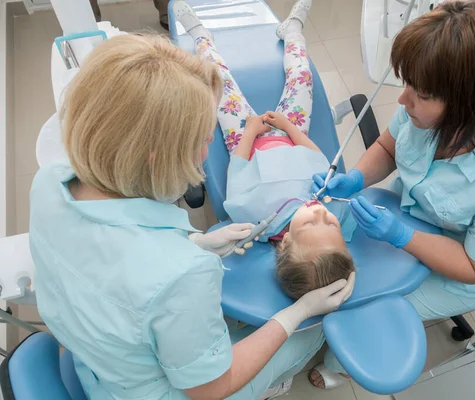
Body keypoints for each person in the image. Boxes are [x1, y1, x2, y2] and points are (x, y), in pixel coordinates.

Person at [30, 25, 354, 400]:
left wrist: (197, 243)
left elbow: (106, 266)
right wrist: (300, 311)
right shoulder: (179, 274)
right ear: (157, 156)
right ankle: (270, 384)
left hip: (98, 359)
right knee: (312, 331)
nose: (206, 154)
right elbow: (209, 388)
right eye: (203, 140)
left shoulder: (50, 181)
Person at [310, 0, 475, 389]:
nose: (402, 100)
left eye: (421, 93)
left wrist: (401, 237)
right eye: (406, 84)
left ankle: (339, 367)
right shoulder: (433, 102)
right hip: (410, 212)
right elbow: (390, 147)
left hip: (468, 264)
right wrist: (358, 178)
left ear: (468, 105)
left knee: (364, 303)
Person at [175, 0, 356, 300]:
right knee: (302, 76)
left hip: (246, 138)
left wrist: (249, 133)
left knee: (219, 81)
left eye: (312, 222)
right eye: (331, 222)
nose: (320, 213)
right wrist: (289, 127)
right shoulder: (326, 200)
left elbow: (239, 167)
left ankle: (200, 36)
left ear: (284, 243)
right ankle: (293, 31)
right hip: (289, 132)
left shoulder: (254, 216)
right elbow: (314, 155)